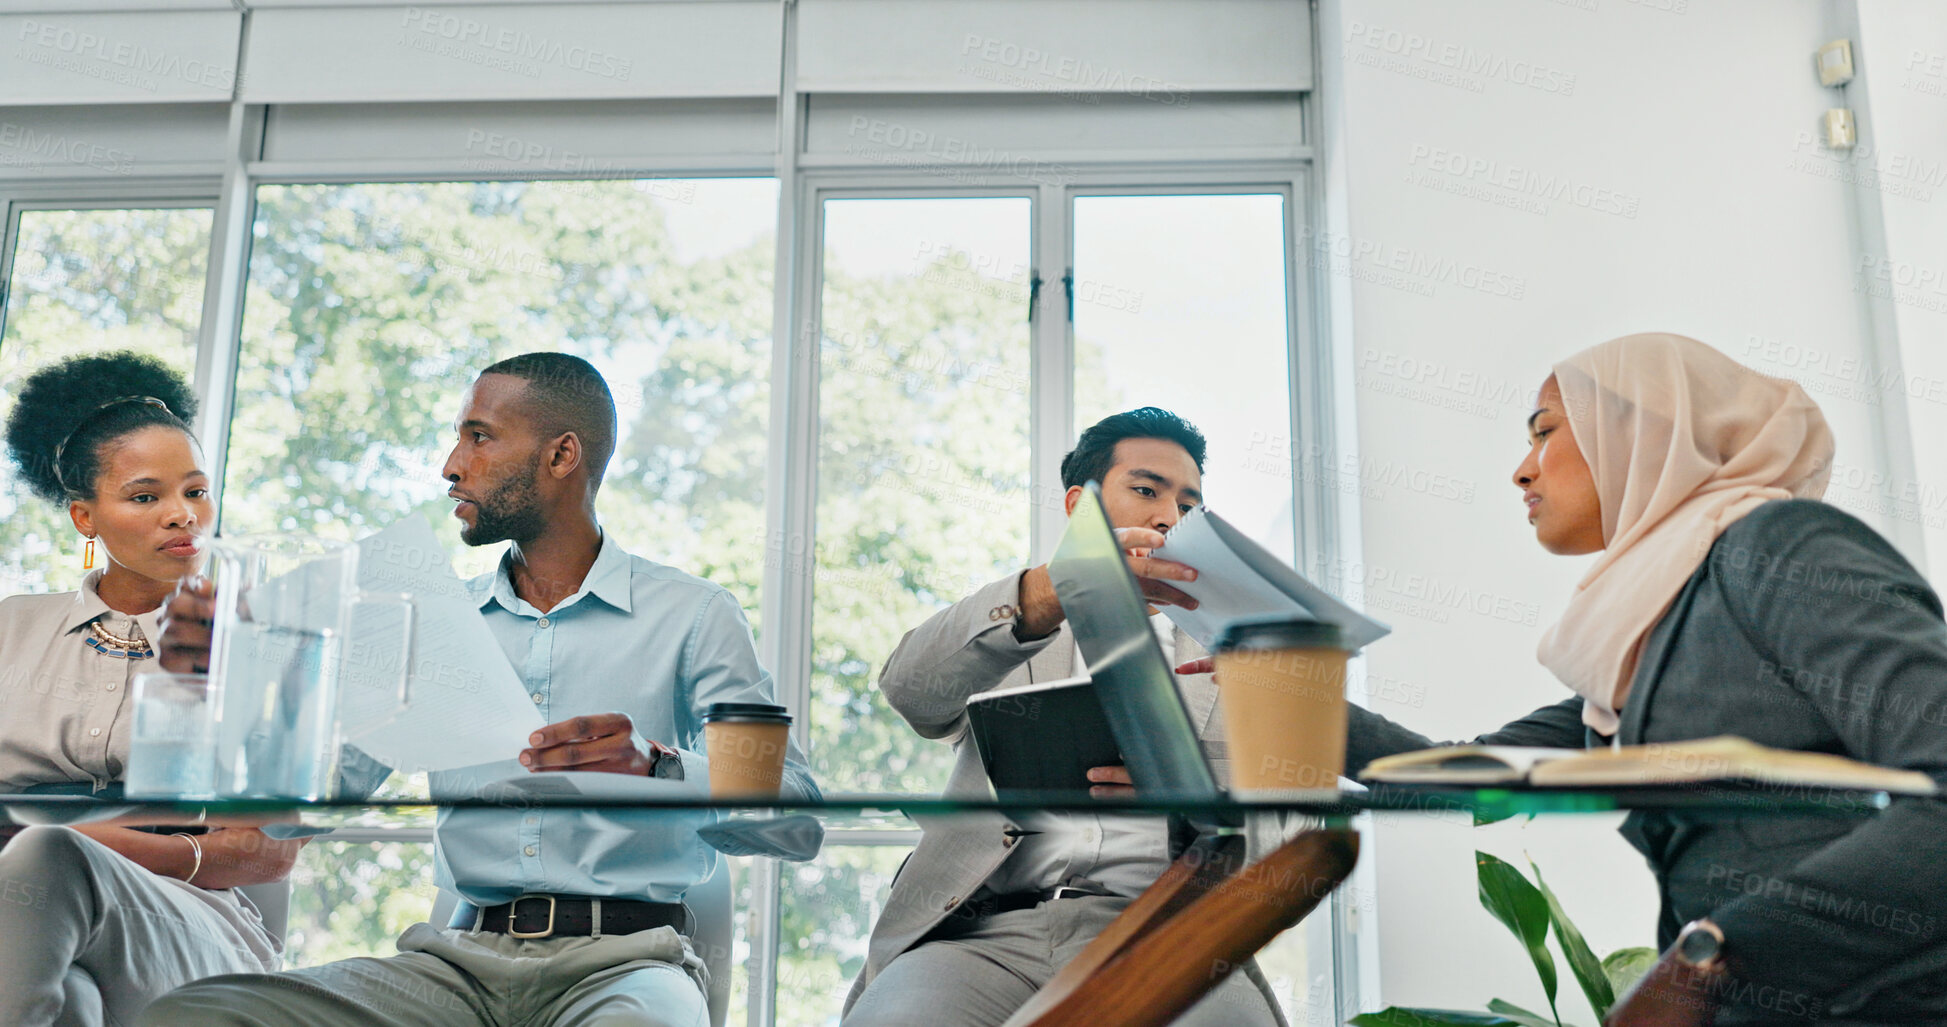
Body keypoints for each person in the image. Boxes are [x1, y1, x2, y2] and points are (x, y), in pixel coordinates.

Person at [1182, 333, 1946, 1025]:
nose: (1520, 468)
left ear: (1642, 428)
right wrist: (1272, 681)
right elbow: (1445, 776)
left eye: (1544, 430)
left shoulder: (1777, 546)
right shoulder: (1638, 642)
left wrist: (1710, 959)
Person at [144, 352, 819, 1027]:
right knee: (198, 1013)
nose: (450, 464)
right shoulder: (431, 618)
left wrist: (657, 765)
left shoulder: (694, 614)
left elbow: (796, 817)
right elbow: (295, 809)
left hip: (627, 967)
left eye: (479, 436)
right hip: (456, 966)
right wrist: (233, 676)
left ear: (561, 456)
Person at [843, 407, 1287, 1027]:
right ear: (1080, 506)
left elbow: (1296, 829)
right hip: (982, 940)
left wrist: (1202, 804)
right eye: (1145, 490)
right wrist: (1048, 592)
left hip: (1174, 939)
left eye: (1188, 505)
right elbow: (912, 692)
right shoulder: (1014, 625)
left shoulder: (1236, 657)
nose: (1169, 516)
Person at [0, 352, 303, 1026]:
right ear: (86, 516)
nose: (181, 515)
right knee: (72, 996)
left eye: (195, 490)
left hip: (204, 926)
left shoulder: (263, 642)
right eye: (146, 496)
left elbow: (268, 849)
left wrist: (56, 834)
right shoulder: (10, 629)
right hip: (28, 919)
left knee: (48, 854)